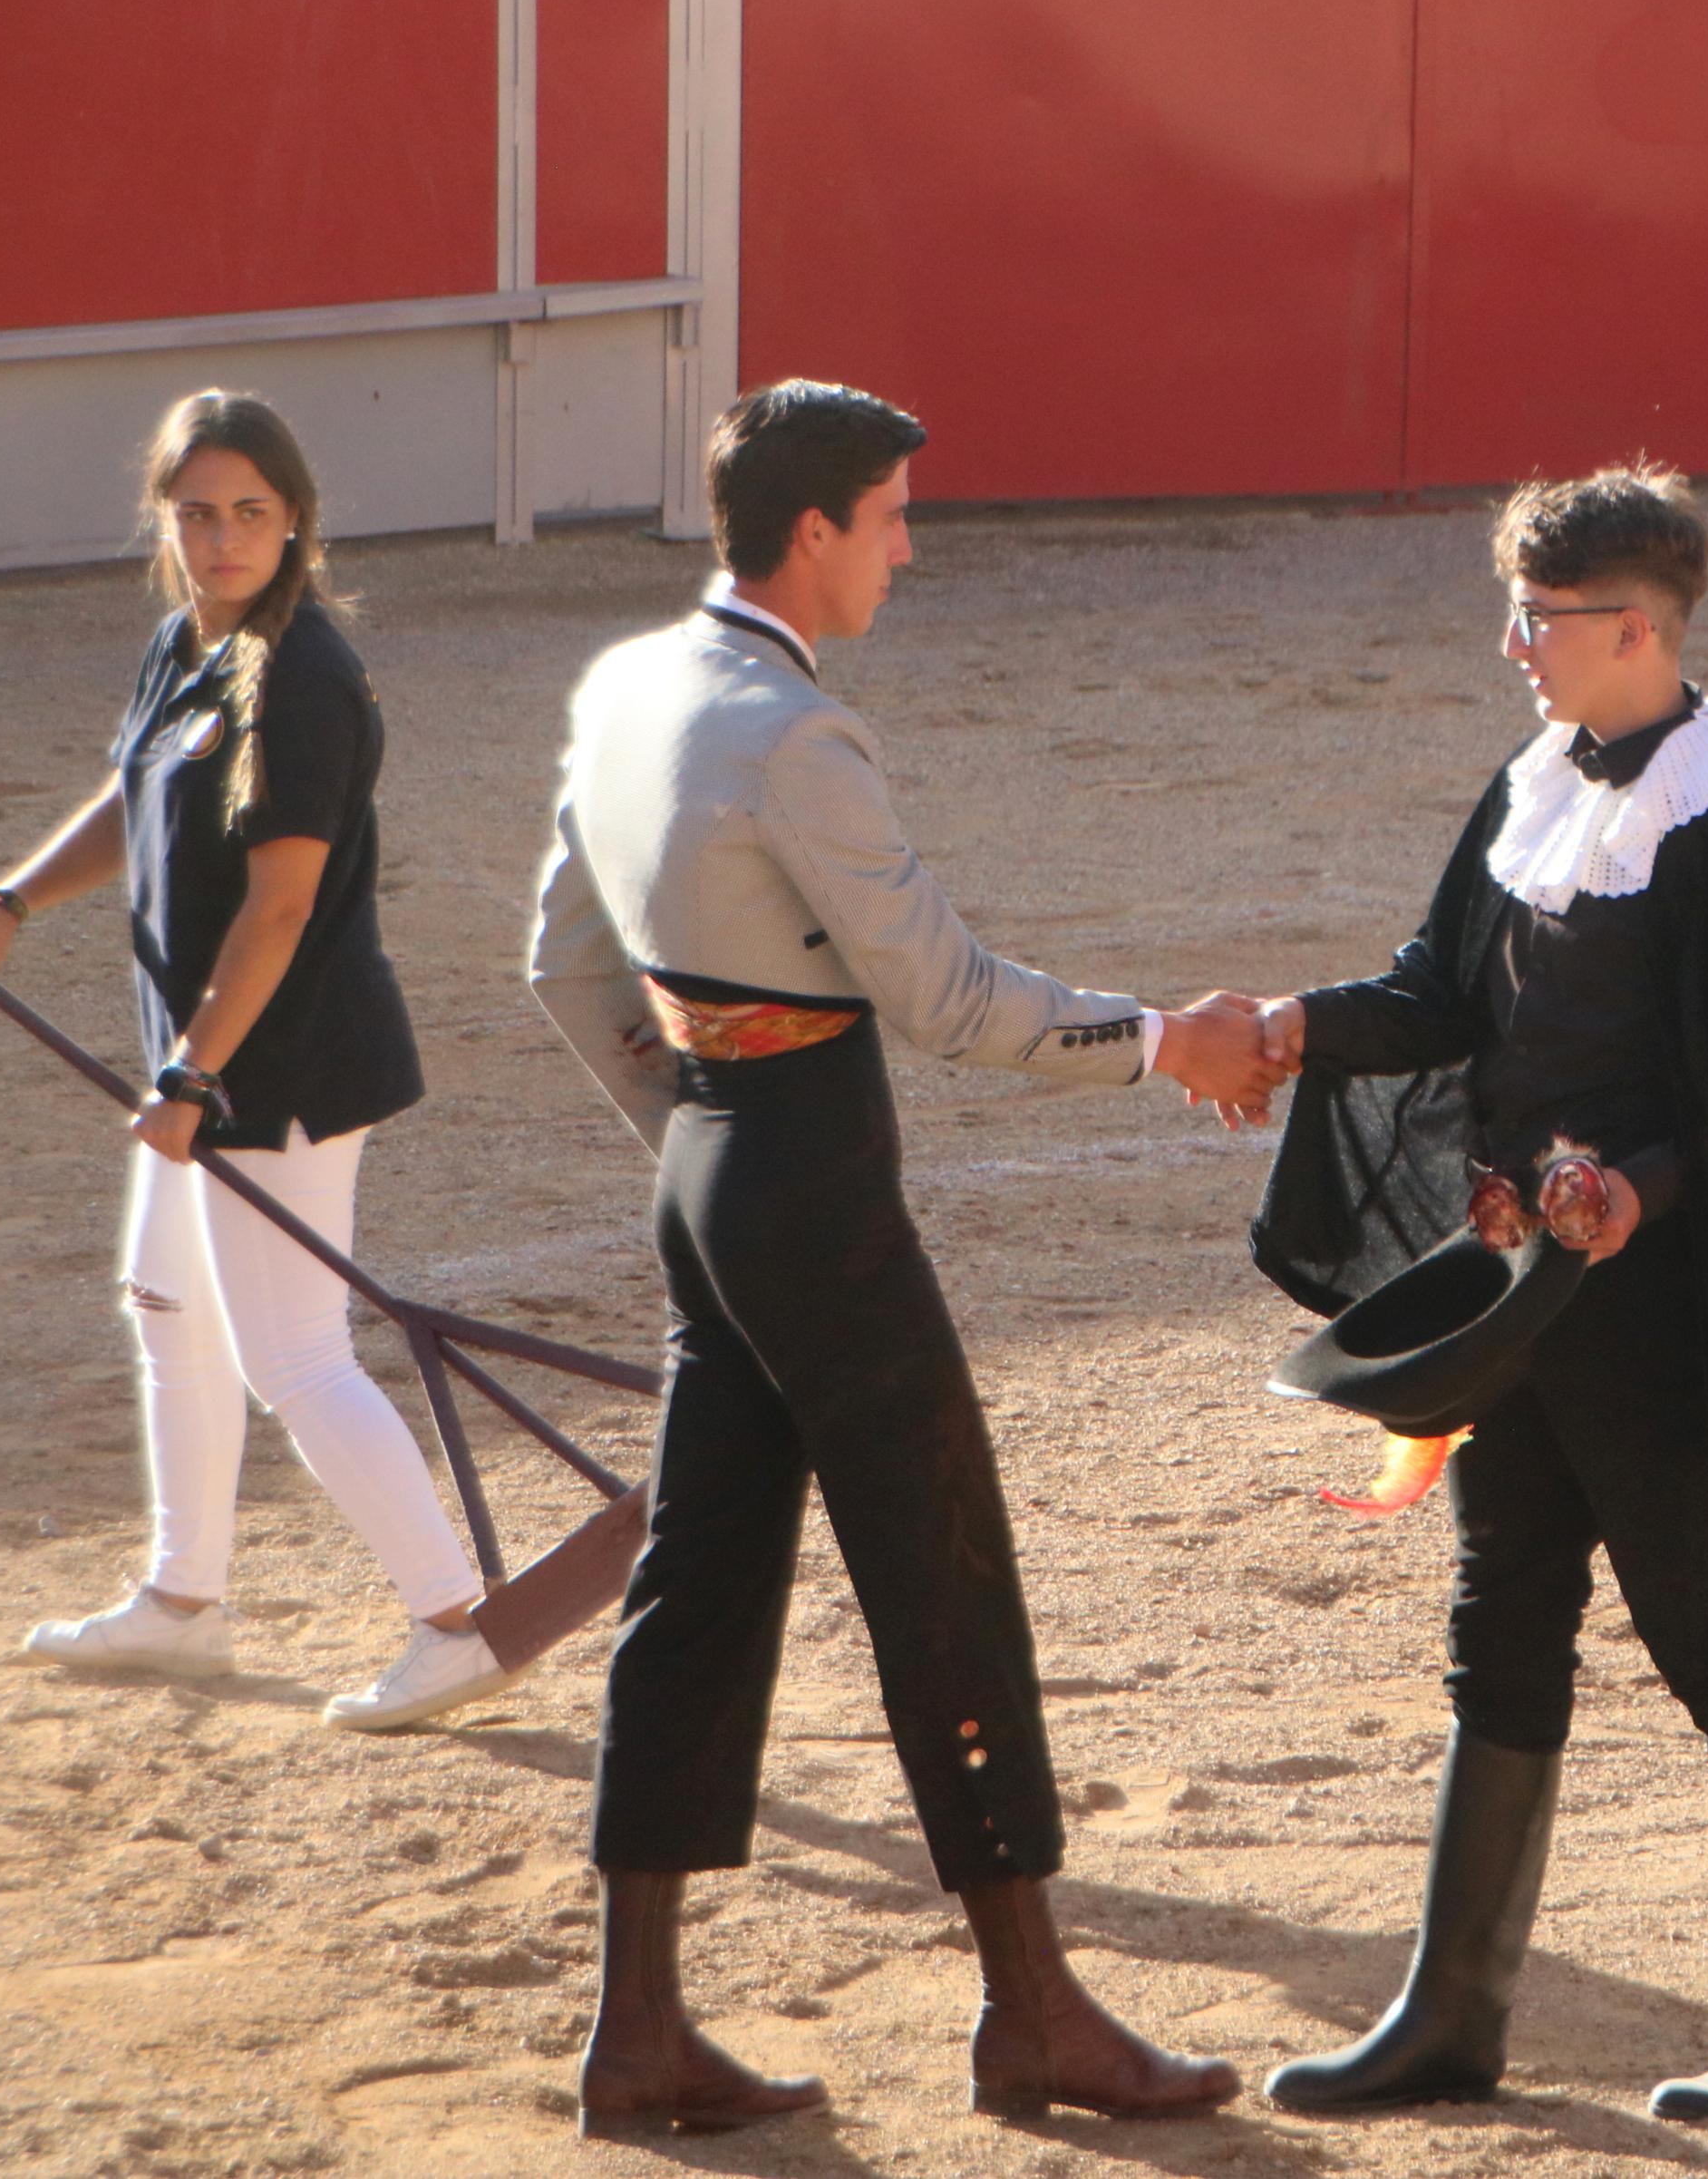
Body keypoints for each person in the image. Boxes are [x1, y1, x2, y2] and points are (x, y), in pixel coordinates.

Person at [527, 379, 1281, 2138]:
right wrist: (1172, 1037)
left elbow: (565, 969)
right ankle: (1030, 2013)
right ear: (814, 533)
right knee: (940, 1566)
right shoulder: (799, 738)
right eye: (889, 517)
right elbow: (945, 998)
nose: (906, 547)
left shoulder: (628, 690)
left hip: (714, 1173)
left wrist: (701, 1133)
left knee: (699, 1585)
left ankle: (637, 2029)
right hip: (810, 1192)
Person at [1242, 464, 1708, 2123]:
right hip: (1518, 1301)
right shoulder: (1531, 783)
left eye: (1535, 621)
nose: (1510, 648)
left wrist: (1635, 1191)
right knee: (1499, 1627)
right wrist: (1288, 1024)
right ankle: (1451, 2017)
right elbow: (1437, 992)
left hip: (1654, 1319)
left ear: (1633, 631)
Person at [0, 389, 514, 1735]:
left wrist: (192, 1077)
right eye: (197, 514)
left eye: (248, 512)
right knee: (164, 1305)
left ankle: (454, 1623)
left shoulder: (304, 677)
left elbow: (281, 905)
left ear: (293, 518)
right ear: (166, 521)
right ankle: (186, 1603)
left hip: (278, 1061)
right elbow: (135, 797)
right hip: (209, 1059)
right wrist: (8, 904)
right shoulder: (189, 643)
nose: (223, 536)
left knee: (295, 1356)